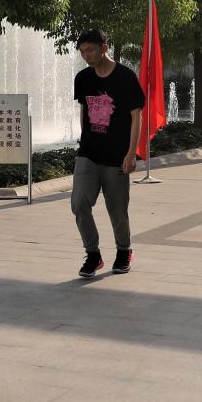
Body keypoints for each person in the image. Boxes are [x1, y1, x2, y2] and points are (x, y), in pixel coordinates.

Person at [71, 28, 145, 278]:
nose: (86, 55)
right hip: (88, 153)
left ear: (104, 48)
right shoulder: (83, 78)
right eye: (82, 51)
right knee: (79, 203)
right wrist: (85, 140)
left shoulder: (125, 77)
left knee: (117, 209)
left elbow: (136, 117)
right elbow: (84, 110)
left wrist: (131, 153)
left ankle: (124, 251)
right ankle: (93, 254)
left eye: (90, 50)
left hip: (117, 156)